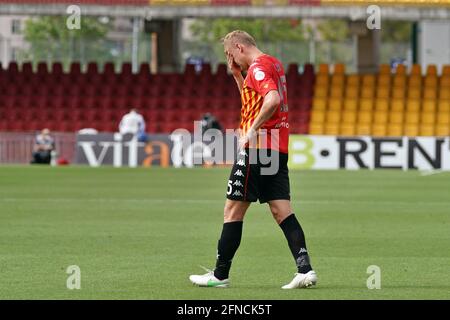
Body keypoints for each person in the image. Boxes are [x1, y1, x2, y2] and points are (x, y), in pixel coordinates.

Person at [189, 30, 317, 289]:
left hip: (258, 149)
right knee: (282, 211)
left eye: (230, 53)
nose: (231, 58)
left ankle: (220, 275)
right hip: (277, 149)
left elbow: (272, 99)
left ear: (239, 47)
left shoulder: (258, 68)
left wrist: (252, 129)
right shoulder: (273, 64)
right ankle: (305, 270)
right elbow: (254, 102)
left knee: (232, 210)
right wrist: (237, 76)